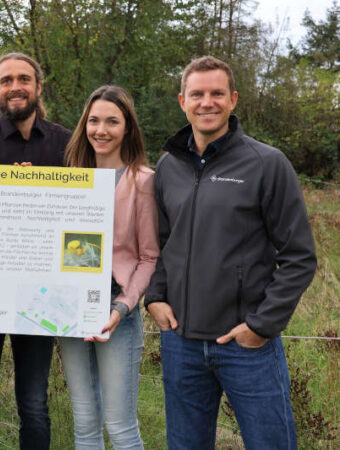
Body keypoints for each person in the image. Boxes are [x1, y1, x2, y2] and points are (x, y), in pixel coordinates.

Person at [145, 56, 317, 449]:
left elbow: (299, 255)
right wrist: (155, 297)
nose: (207, 102)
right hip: (181, 342)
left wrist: (261, 326)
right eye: (197, 94)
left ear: (233, 99)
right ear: (182, 101)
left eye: (217, 93)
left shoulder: (267, 163)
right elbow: (161, 242)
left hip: (245, 345)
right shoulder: (168, 167)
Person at [0, 52, 72, 450]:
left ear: (39, 87)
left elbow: (73, 218)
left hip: (41, 292)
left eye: (24, 79)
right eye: (6, 80)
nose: (15, 87)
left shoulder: (65, 143)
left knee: (35, 403)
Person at [59, 85, 158, 449]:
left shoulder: (143, 181)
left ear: (127, 128)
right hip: (70, 311)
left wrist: (122, 307)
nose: (101, 130)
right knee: (84, 422)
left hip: (117, 312)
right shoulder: (68, 178)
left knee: (119, 427)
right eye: (94, 120)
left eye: (112, 121)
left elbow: (149, 257)